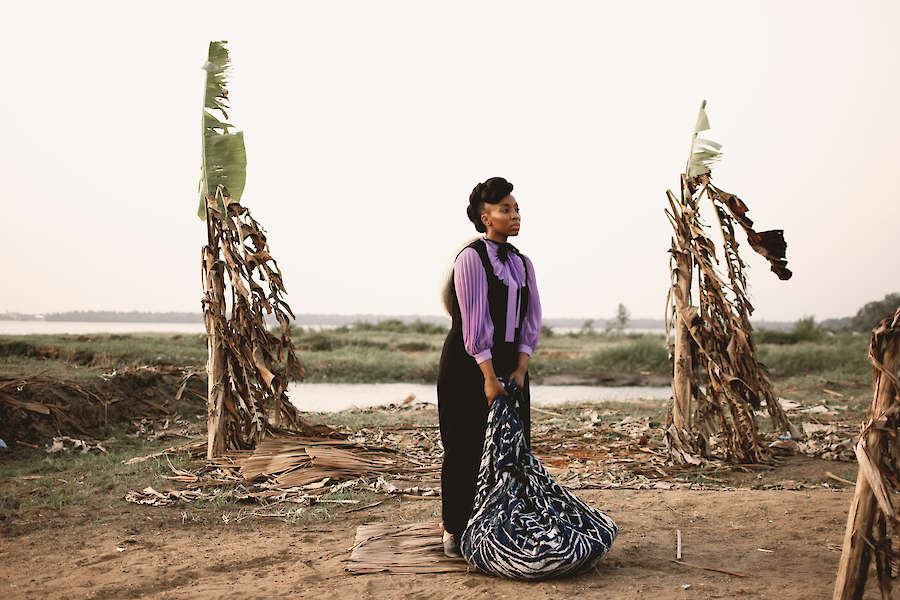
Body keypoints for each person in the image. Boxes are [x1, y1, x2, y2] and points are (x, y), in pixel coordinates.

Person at [437, 176, 542, 558]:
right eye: (505, 210)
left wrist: (520, 369)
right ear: (485, 218)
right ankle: (454, 528)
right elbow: (474, 321)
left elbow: (532, 319)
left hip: (513, 365)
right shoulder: (471, 258)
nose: (514, 216)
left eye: (516, 209)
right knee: (464, 444)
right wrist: (487, 377)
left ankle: (504, 524)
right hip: (469, 365)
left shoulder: (522, 263)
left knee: (515, 447)